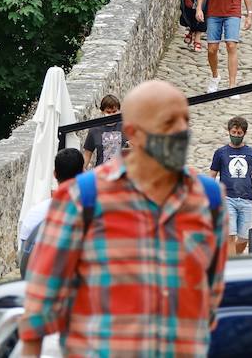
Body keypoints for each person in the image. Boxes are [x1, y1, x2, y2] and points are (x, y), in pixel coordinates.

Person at [20, 80, 229, 357]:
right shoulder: (82, 198)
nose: (181, 130)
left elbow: (211, 295)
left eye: (185, 120)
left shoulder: (209, 199)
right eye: (168, 122)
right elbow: (42, 297)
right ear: (133, 132)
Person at [18, 150, 85, 277]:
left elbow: (24, 261)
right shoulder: (96, 213)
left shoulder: (34, 214)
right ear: (83, 173)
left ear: (55, 174)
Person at [209, 116, 252, 255]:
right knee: (229, 234)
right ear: (229, 132)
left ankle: (231, 258)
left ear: (244, 133)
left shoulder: (251, 153)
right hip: (227, 198)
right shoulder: (220, 153)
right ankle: (231, 266)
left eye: (239, 133)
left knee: (244, 237)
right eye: (233, 132)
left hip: (246, 199)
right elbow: (212, 174)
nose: (236, 135)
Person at [81, 95, 123, 170]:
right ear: (102, 111)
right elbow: (87, 154)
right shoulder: (94, 129)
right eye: (108, 112)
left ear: (119, 110)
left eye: (114, 112)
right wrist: (81, 171)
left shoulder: (126, 127)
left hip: (122, 175)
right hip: (101, 175)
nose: (112, 115)